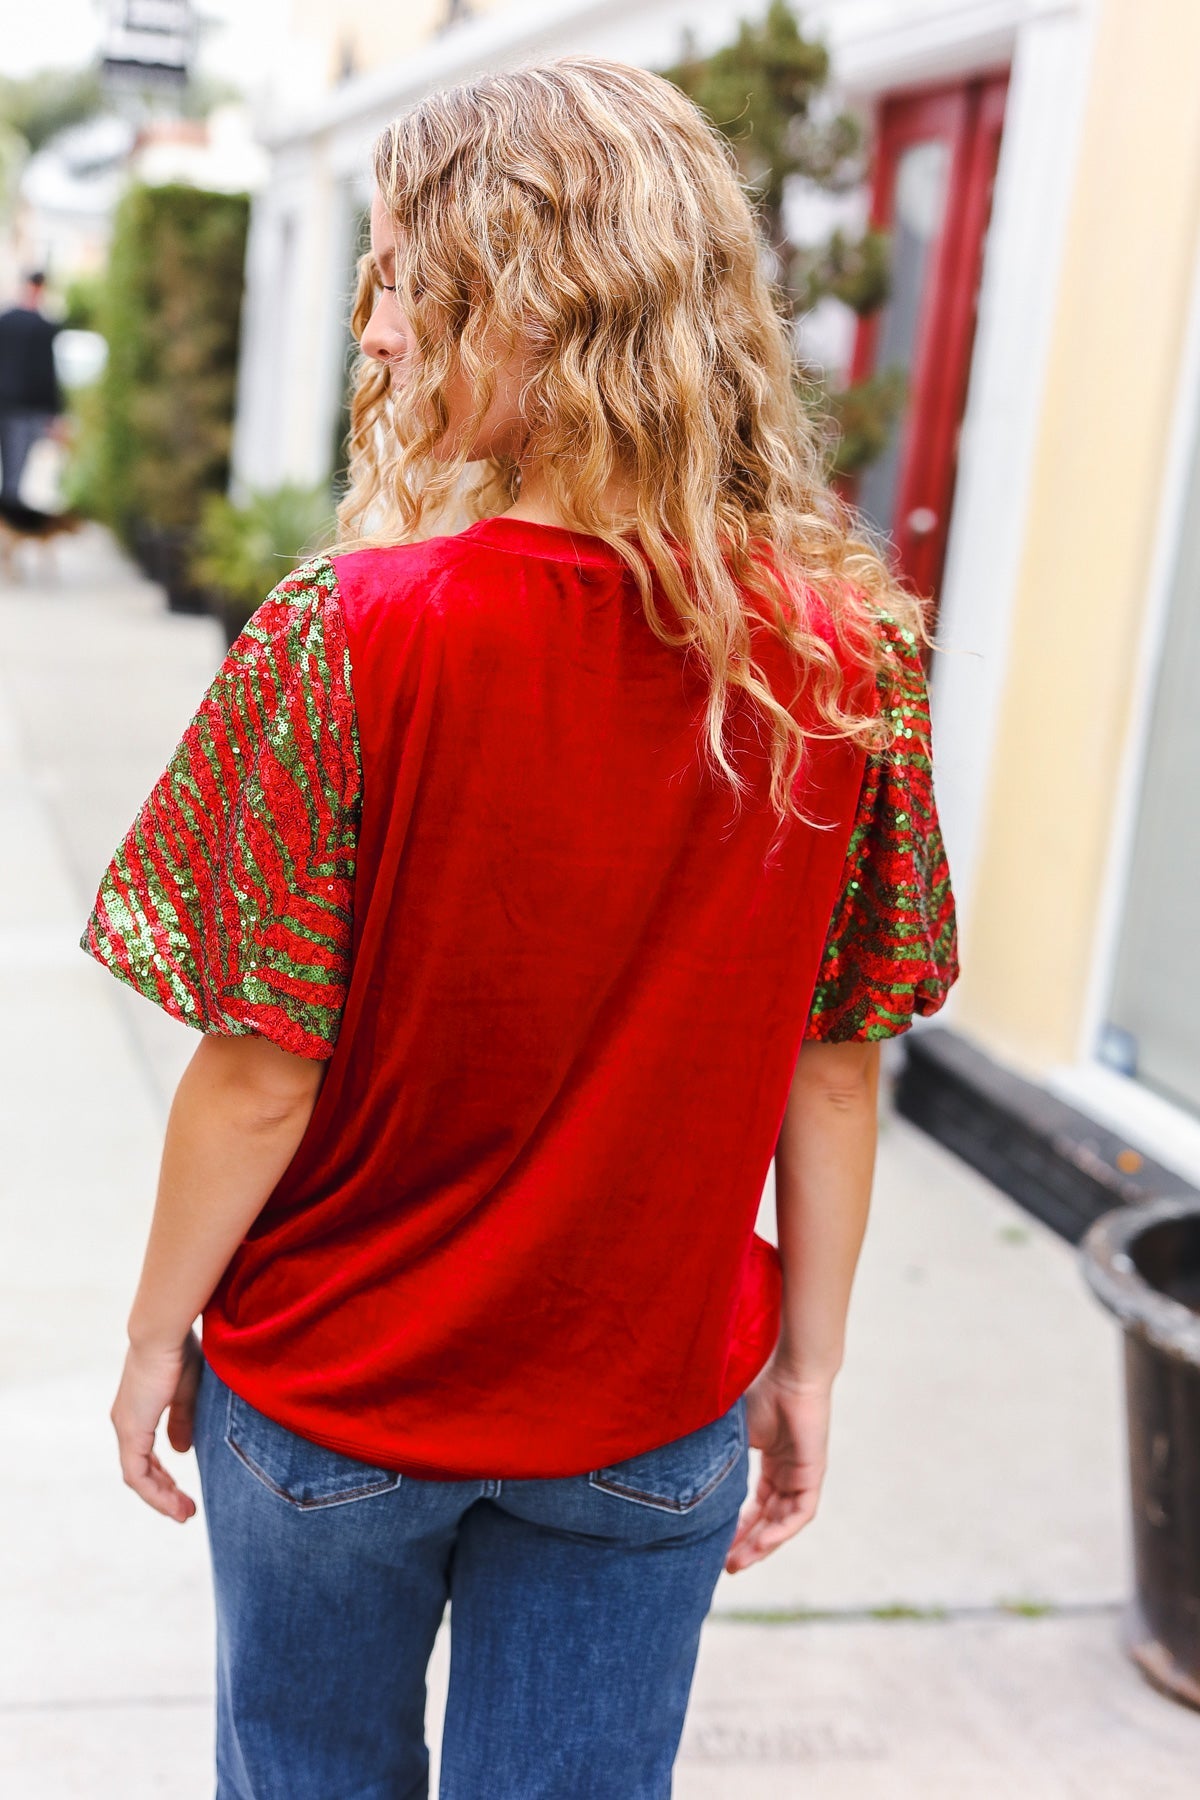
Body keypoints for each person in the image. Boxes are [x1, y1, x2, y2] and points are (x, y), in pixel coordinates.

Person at [80, 57, 960, 1800]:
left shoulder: (357, 631)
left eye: (404, 276)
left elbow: (259, 1066)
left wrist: (152, 1331)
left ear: (532, 306)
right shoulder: (842, 660)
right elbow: (840, 1061)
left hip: (338, 1391)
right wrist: (813, 1364)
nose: (377, 330)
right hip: (646, 1404)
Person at [0, 270, 65, 503]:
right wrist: (55, 412)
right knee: (13, 474)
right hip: (23, 409)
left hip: (6, 403)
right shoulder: (43, 327)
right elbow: (47, 372)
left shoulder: (4, 320)